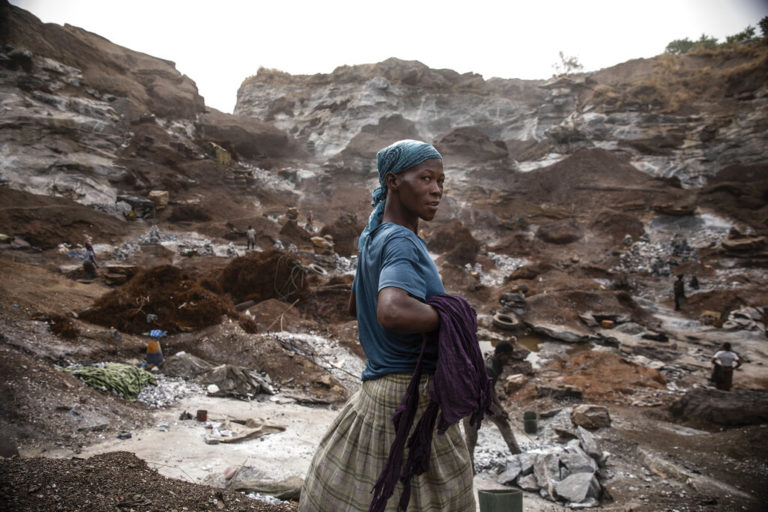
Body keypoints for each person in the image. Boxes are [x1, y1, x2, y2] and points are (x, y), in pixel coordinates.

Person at [299, 140, 478, 512]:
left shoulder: (373, 235)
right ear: (394, 181)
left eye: (441, 180)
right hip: (411, 399)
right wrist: (455, 315)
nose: (437, 189)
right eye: (425, 177)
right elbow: (392, 312)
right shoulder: (400, 241)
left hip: (377, 394)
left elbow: (355, 304)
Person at [462, 341, 522, 470]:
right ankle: (469, 469)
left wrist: (500, 409)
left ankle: (520, 459)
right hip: (471, 402)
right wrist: (496, 410)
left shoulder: (497, 365)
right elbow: (485, 395)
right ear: (501, 354)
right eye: (508, 356)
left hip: (484, 398)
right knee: (471, 437)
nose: (509, 360)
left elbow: (491, 390)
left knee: (504, 423)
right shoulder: (488, 368)